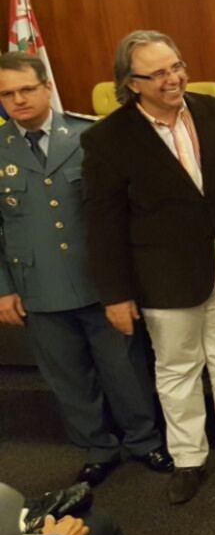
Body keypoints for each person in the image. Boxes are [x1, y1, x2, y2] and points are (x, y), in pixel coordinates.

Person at [82, 30, 215, 505]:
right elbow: (103, 225)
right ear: (131, 83)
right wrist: (115, 294)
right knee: (178, 370)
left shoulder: (211, 110)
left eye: (177, 66)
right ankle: (189, 458)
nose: (173, 79)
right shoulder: (107, 138)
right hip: (164, 276)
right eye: (158, 73)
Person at [0, 52, 170, 488]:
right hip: (37, 286)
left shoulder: (90, 135)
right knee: (68, 378)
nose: (18, 100)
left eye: (26, 89)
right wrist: (2, 288)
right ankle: (97, 448)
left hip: (101, 281)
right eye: (7, 93)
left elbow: (126, 212)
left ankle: (144, 440)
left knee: (125, 369)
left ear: (47, 87)